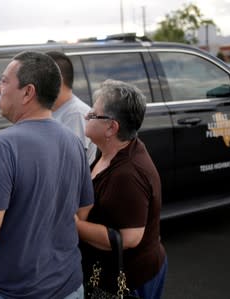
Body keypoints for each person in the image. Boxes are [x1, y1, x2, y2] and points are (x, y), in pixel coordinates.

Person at [0, 51, 94, 299]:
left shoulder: (2, 146)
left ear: (28, 92)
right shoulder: (73, 141)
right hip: (69, 284)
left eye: (4, 81)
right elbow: (82, 209)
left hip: (17, 291)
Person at [76, 79, 167, 299]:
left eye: (94, 113)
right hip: (105, 272)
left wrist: (74, 224)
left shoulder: (129, 174)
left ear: (112, 127)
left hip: (130, 281)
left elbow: (130, 238)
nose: (87, 115)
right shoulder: (108, 151)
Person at [46, 51, 97, 165]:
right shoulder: (54, 110)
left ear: (57, 79)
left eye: (40, 77)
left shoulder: (76, 114)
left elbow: (70, 165)